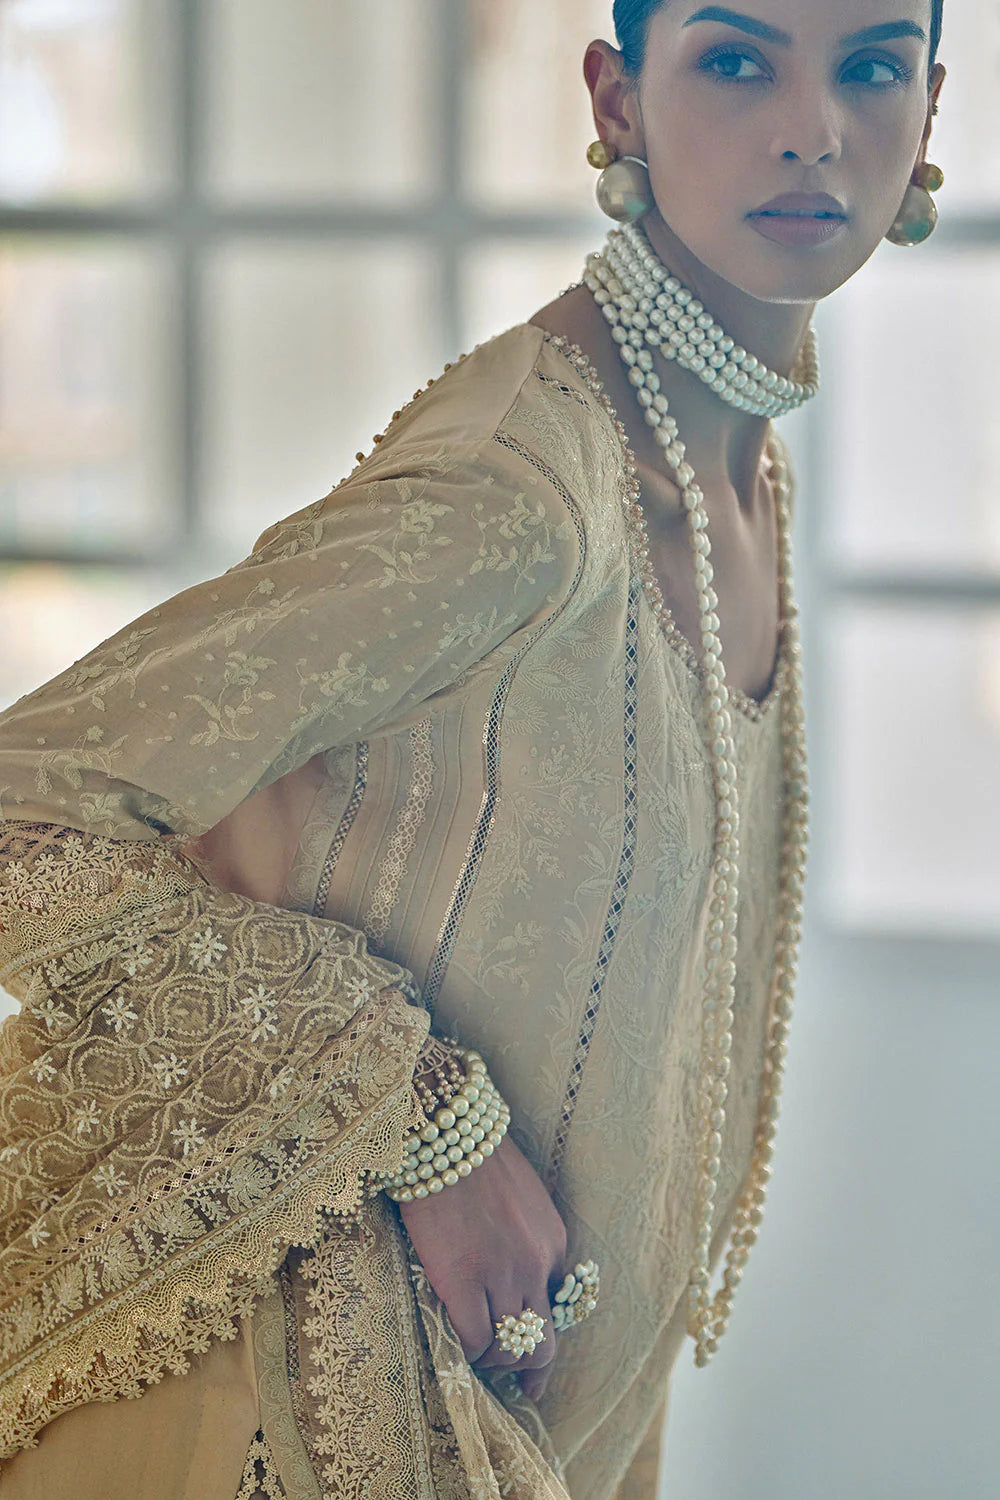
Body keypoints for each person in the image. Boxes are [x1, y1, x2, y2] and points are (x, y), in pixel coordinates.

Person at [0, 2, 946, 1497]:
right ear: (618, 103)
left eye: (871, 67)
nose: (814, 130)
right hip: (267, 1418)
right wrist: (420, 1113)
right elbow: (25, 808)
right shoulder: (517, 496)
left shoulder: (730, 469)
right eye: (736, 59)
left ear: (931, 112)